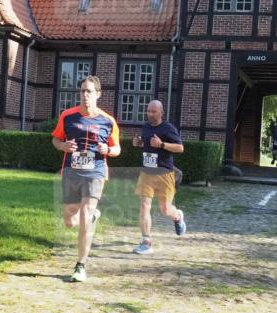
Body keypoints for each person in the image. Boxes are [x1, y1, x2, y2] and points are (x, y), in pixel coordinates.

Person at [51, 75, 121, 282]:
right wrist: (63, 146)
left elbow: (117, 148)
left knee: (84, 216)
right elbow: (56, 139)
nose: (85, 95)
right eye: (82, 91)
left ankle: (80, 265)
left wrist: (108, 149)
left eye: (89, 91)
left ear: (98, 94)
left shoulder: (108, 121)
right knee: (70, 220)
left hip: (96, 171)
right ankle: (91, 217)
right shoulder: (68, 116)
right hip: (71, 171)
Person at [131, 99, 187, 255]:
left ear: (161, 112)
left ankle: (177, 216)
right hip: (147, 172)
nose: (149, 114)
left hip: (164, 173)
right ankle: (146, 241)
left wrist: (162, 145)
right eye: (148, 111)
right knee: (144, 206)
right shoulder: (146, 127)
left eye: (153, 111)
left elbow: (180, 147)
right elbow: (147, 144)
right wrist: (138, 143)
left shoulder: (168, 128)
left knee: (165, 209)